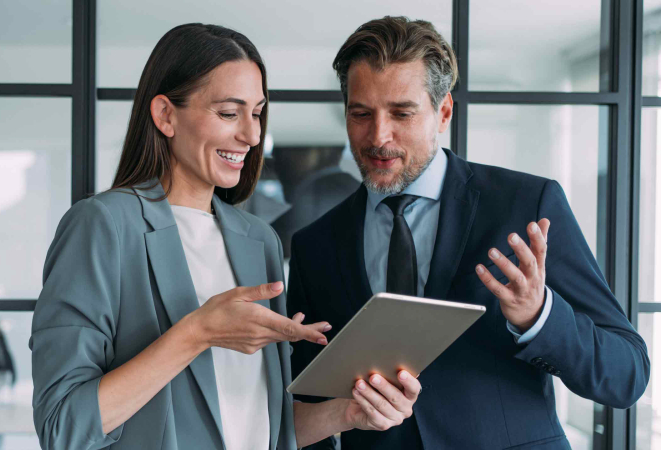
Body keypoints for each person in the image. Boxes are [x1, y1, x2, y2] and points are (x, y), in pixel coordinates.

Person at [29, 23, 421, 450]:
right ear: (165, 115)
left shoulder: (259, 241)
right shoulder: (102, 226)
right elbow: (62, 426)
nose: (252, 136)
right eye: (229, 113)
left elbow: (262, 427)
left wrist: (345, 413)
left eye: (256, 113)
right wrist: (197, 332)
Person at [287, 16, 650, 450]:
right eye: (361, 114)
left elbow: (626, 375)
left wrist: (540, 317)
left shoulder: (527, 204)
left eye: (402, 113)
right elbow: (306, 406)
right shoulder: (315, 245)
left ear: (443, 112)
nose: (378, 136)